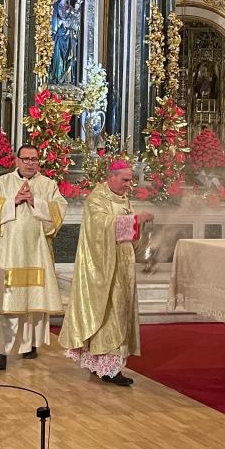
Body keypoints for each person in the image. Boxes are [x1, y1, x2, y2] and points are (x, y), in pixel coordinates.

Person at [60, 160, 149, 386]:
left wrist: (139, 225)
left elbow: (129, 230)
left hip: (123, 266)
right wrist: (136, 220)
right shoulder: (96, 199)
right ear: (112, 176)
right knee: (110, 313)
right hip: (103, 268)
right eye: (125, 180)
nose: (129, 184)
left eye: (130, 180)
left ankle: (105, 365)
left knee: (121, 312)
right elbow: (100, 227)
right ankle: (109, 369)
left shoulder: (123, 199)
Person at [0, 144, 65, 370]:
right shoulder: (3, 182)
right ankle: (0, 351)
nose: (30, 163)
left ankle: (30, 345)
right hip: (8, 253)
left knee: (32, 301)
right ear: (17, 160)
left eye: (34, 159)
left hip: (35, 253)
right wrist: (14, 200)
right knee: (6, 302)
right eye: (26, 159)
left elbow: (59, 212)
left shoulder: (48, 185)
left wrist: (34, 202)